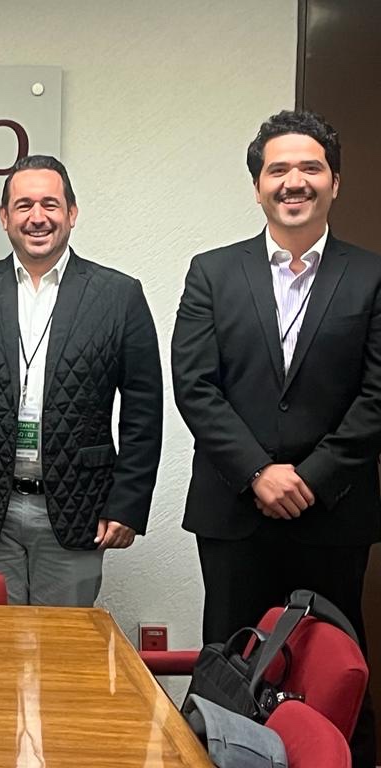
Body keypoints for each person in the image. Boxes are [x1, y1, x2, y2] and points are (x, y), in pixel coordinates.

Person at [172, 109, 381, 768]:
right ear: (258, 186)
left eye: (310, 168)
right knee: (232, 673)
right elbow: (195, 386)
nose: (295, 181)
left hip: (333, 514)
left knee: (333, 678)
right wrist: (258, 472)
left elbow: (377, 396)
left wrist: (310, 477)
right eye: (279, 169)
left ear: (335, 182)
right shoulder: (212, 273)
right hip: (235, 511)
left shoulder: (372, 277)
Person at [0, 154, 162, 606]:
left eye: (50, 204)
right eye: (24, 205)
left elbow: (144, 412)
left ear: (72, 212)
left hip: (76, 507)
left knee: (63, 645)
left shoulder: (119, 295)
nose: (37, 217)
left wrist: (128, 503)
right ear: (4, 216)